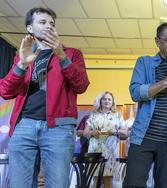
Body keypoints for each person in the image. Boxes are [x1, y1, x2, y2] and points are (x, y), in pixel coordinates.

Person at [0, 7, 89, 188]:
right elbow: (6, 91)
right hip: (23, 126)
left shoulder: (72, 54)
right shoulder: (21, 55)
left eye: (52, 23)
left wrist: (61, 55)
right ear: (30, 28)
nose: (49, 26)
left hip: (58, 128)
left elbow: (81, 85)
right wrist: (22, 64)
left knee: (57, 184)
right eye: (42, 22)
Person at [123, 22, 167, 188]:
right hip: (143, 137)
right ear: (157, 41)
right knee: (133, 184)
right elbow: (135, 92)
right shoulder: (144, 63)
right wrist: (166, 81)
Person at [83, 91, 127, 188]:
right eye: (104, 99)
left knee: (108, 179)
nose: (107, 101)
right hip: (95, 150)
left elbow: (125, 132)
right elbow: (85, 133)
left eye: (109, 99)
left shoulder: (118, 115)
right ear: (100, 101)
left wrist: (115, 132)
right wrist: (93, 132)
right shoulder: (93, 115)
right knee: (95, 179)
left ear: (112, 102)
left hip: (111, 151)